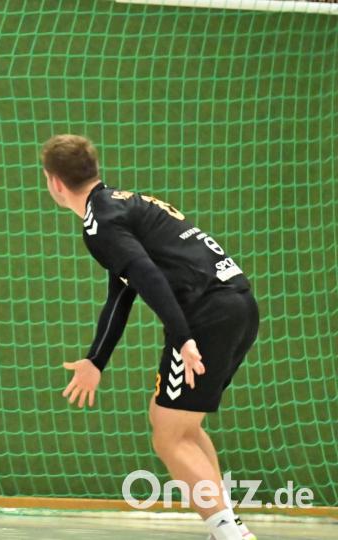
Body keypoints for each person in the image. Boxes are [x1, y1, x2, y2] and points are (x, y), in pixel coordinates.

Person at [42, 135, 259, 540]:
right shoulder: (121, 205)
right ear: (94, 167)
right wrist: (96, 361)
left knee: (168, 434)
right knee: (184, 427)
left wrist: (183, 338)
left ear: (54, 182)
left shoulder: (100, 223)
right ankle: (225, 526)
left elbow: (146, 275)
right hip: (238, 303)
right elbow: (122, 291)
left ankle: (231, 533)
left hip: (206, 314)